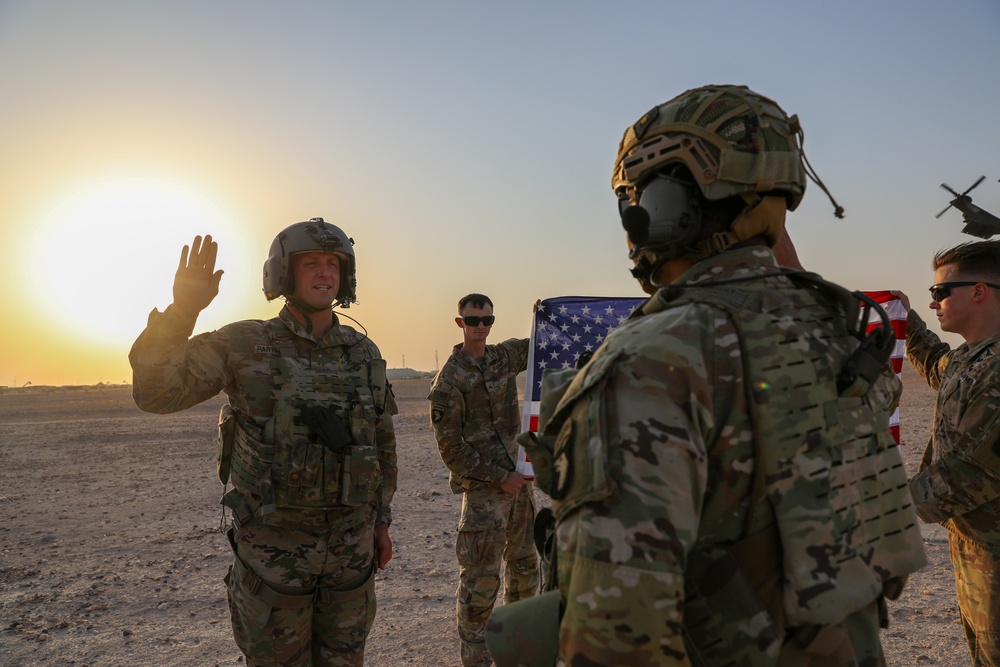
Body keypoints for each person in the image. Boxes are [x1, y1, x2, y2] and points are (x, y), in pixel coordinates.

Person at [487, 84, 927, 666]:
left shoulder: (653, 359)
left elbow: (616, 638)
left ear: (666, 205)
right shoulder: (836, 333)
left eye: (637, 197)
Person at [129, 218, 397, 667]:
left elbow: (381, 443)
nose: (324, 273)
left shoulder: (362, 352)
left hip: (350, 556)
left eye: (333, 264)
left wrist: (382, 521)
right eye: (311, 263)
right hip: (275, 556)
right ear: (284, 273)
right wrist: (181, 313)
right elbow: (156, 394)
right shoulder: (245, 342)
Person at [892, 240, 1000, 666]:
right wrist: (906, 321)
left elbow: (971, 472)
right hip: (975, 545)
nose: (933, 301)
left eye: (940, 291)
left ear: (979, 291)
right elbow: (940, 365)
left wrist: (884, 504)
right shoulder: (971, 358)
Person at [427, 293, 540, 667]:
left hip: (519, 488)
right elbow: (451, 450)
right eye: (473, 320)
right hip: (483, 496)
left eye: (487, 320)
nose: (481, 327)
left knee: (525, 568)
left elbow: (541, 345)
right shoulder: (449, 380)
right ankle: (476, 657)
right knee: (480, 581)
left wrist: (543, 315)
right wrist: (499, 477)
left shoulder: (502, 357)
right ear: (460, 323)